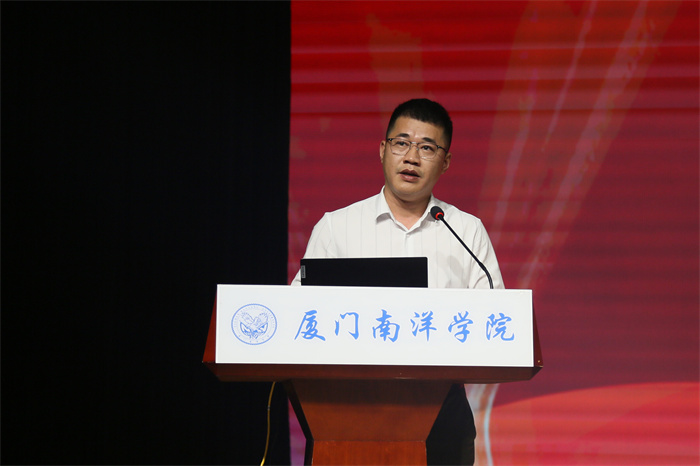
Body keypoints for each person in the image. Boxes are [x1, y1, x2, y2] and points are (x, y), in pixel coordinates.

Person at [291, 98, 504, 465]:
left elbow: (495, 321)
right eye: (401, 143)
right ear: (382, 149)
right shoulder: (336, 227)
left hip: (441, 411)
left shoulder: (466, 231)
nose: (411, 157)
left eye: (427, 148)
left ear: (445, 162)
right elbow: (298, 316)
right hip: (347, 410)